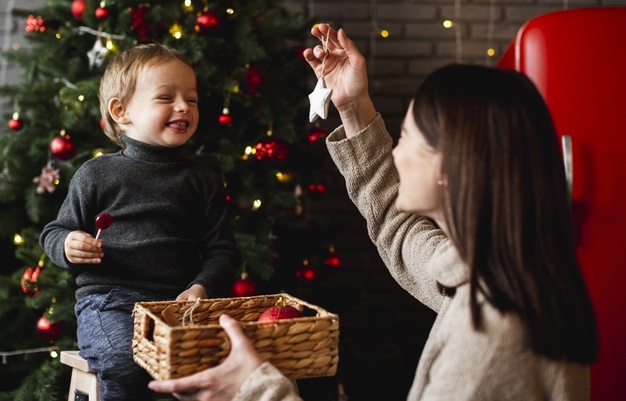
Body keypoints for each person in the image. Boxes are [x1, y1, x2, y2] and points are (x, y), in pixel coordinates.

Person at [148, 24, 598, 400]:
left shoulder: (492, 331)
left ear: (452, 166)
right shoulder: (487, 276)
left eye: (405, 138)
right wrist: (353, 106)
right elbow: (397, 226)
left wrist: (256, 387)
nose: (397, 154)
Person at [39, 44, 240, 400]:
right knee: (126, 361)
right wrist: (68, 243)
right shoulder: (96, 174)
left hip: (179, 306)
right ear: (121, 111)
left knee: (228, 362)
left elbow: (222, 251)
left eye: (191, 100)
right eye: (166, 97)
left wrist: (201, 288)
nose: (183, 107)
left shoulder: (200, 179)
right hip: (109, 301)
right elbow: (54, 231)